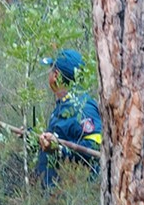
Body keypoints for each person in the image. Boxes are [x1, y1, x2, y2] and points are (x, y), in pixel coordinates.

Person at [36, 49, 102, 187]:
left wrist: (60, 149)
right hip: (52, 196)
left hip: (72, 197)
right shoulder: (63, 105)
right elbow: (62, 137)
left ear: (56, 75)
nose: (49, 74)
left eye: (51, 70)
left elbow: (95, 147)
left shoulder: (83, 108)